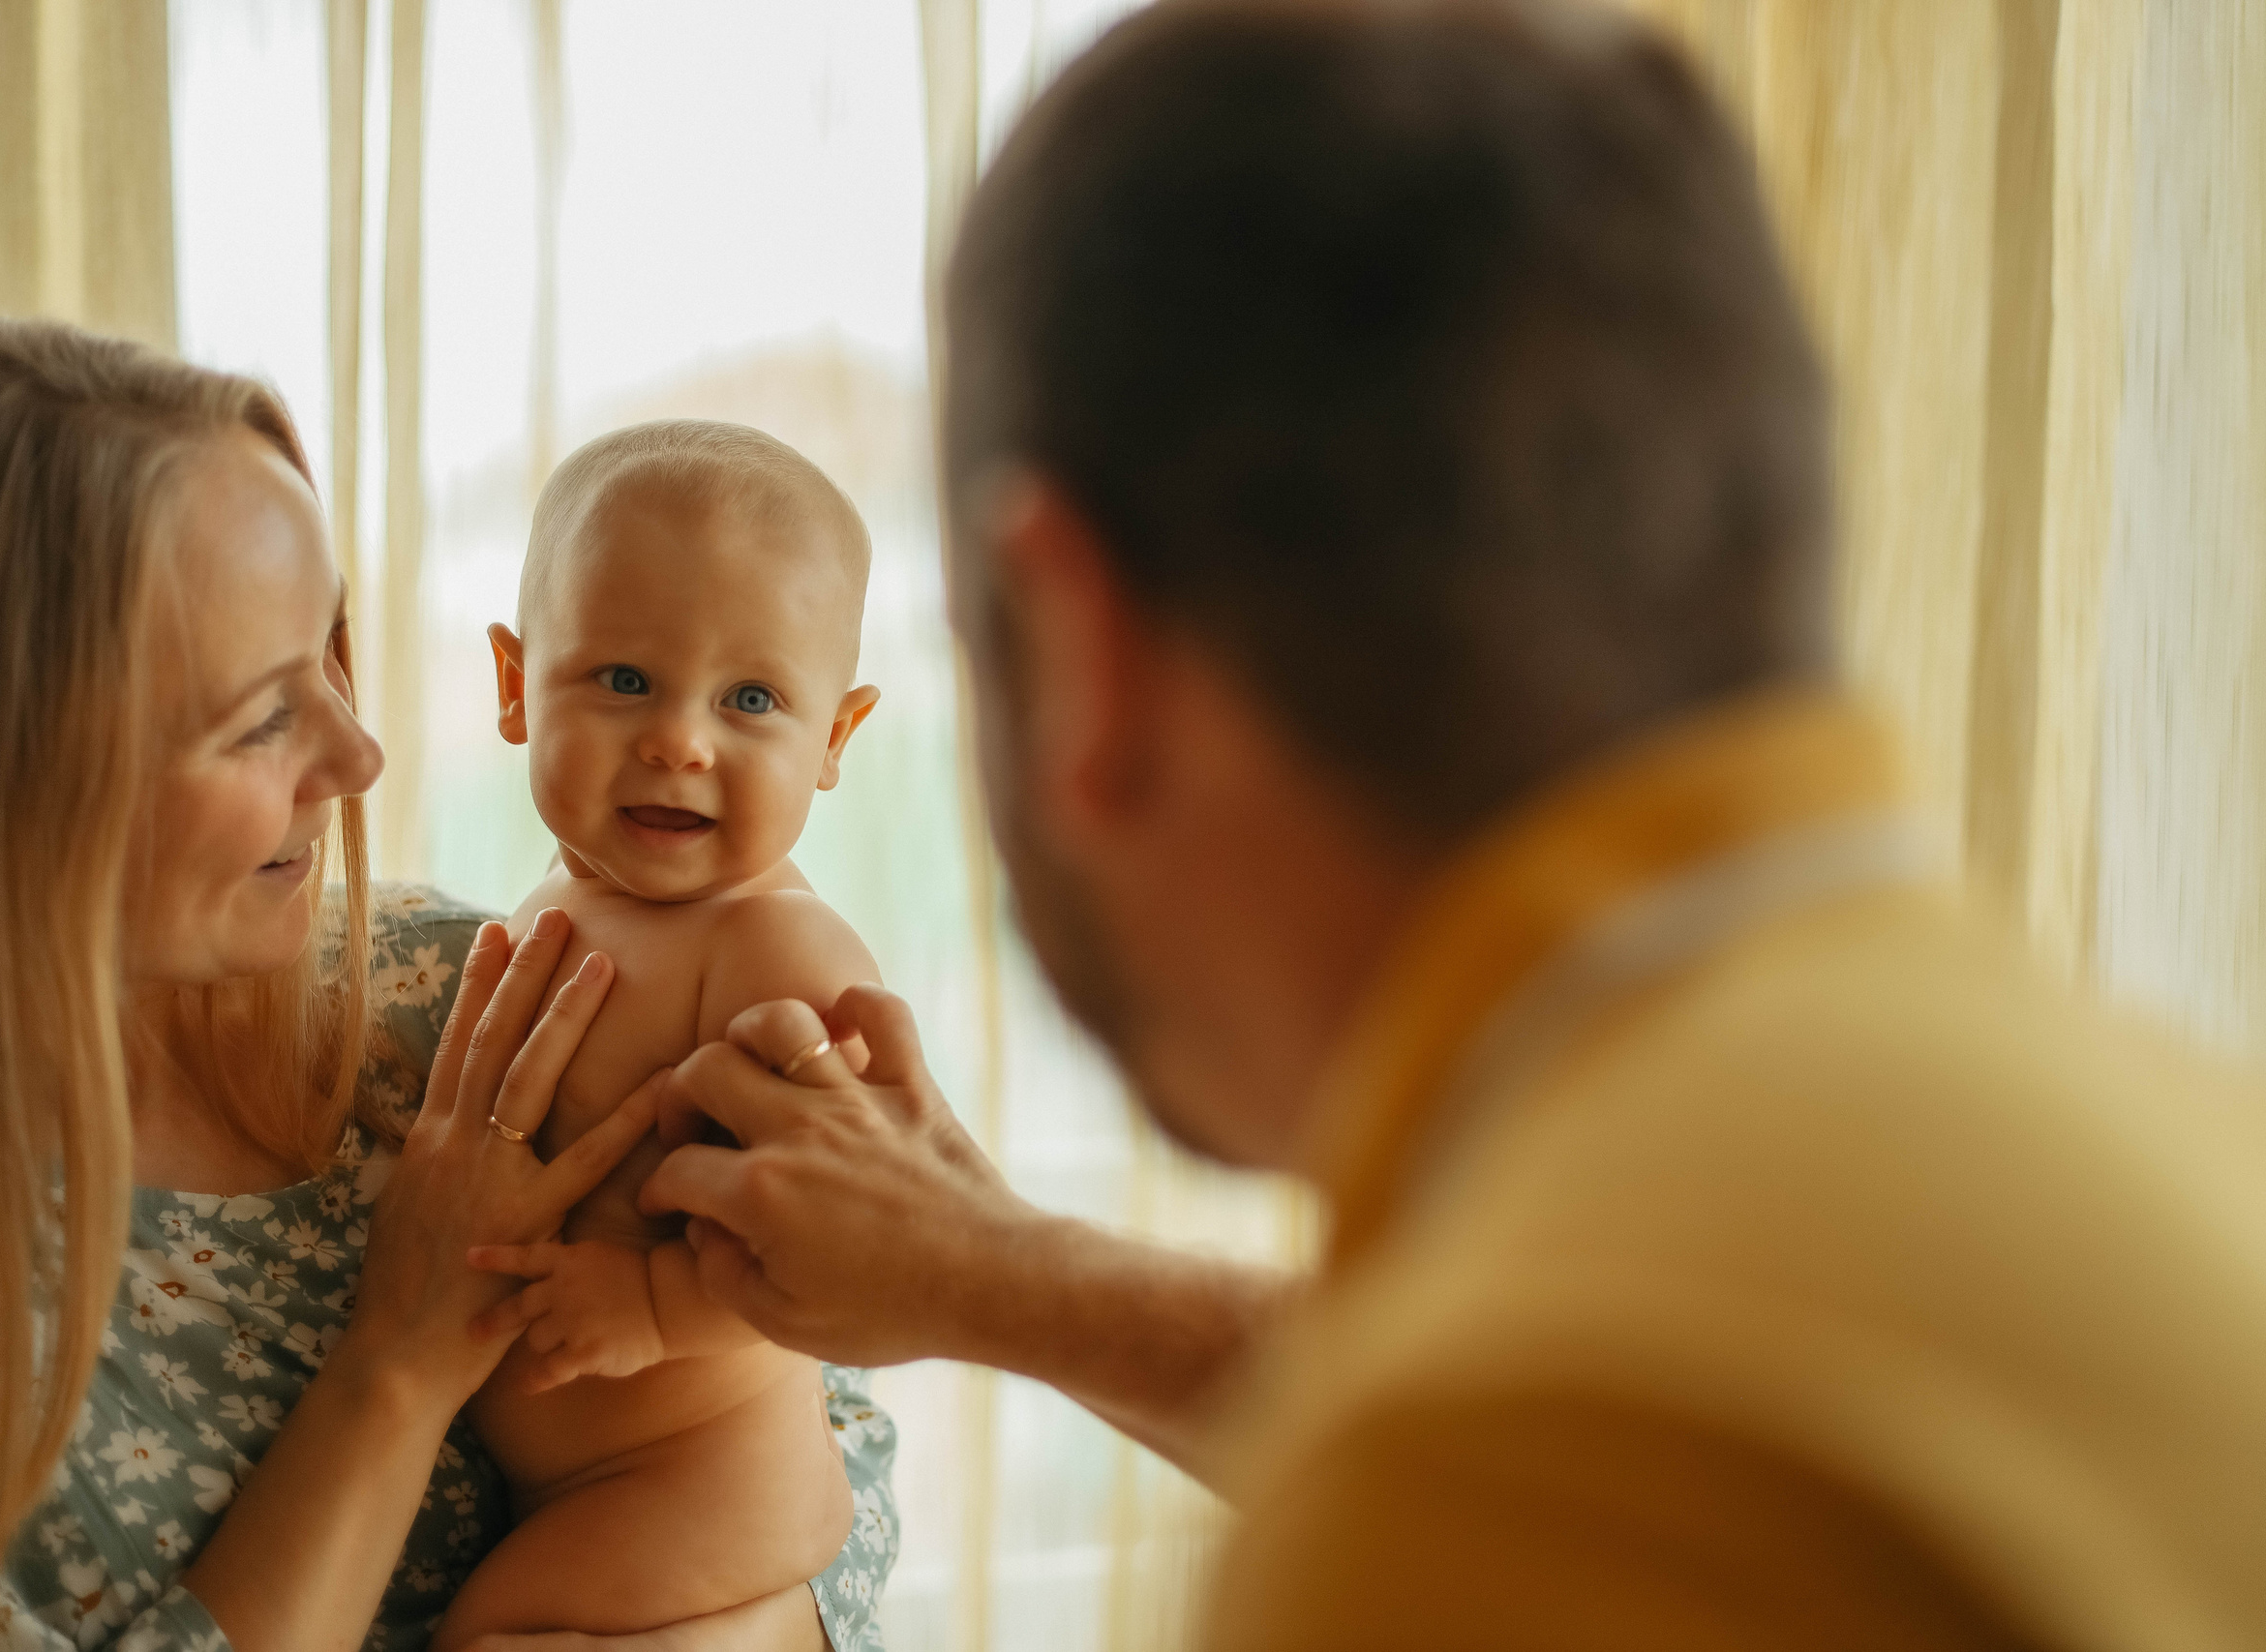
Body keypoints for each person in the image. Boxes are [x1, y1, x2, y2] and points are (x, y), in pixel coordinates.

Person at [617, 2, 2266, 1647]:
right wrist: (1002, 1272)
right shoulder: (2180, 1152)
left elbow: (1571, 1422)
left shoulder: (1488, 1482)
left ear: (1071, 651)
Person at [0, 321, 895, 1652]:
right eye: (261, 713)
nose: (360, 753)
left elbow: (837, 1423)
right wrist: (400, 1359)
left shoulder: (455, 989)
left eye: (334, 654)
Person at [433, 421, 885, 1646]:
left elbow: (859, 1243)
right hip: (583, 1481)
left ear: (832, 739)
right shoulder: (569, 892)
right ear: (518, 687)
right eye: (625, 680)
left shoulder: (777, 958)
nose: (681, 740)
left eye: (750, 699)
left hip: (701, 1476)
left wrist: (651, 1304)